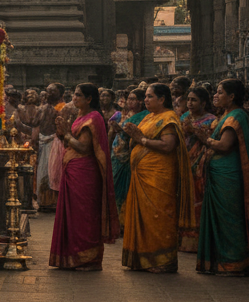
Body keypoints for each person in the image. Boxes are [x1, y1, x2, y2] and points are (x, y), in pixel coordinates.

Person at [120, 83, 194, 273]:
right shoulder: (150, 117)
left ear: (162, 99)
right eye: (145, 96)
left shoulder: (169, 118)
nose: (145, 100)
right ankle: (142, 258)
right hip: (142, 175)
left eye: (150, 96)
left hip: (158, 176)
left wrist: (140, 139)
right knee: (144, 217)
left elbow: (168, 146)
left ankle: (162, 261)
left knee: (158, 215)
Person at [197, 79, 249, 276]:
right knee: (219, 219)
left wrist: (205, 139)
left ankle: (234, 263)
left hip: (228, 176)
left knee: (229, 219)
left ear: (232, 96)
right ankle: (220, 261)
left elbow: (225, 146)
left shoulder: (237, 116)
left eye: (219, 92)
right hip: (218, 174)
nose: (215, 96)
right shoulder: (226, 114)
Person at [49, 83, 118, 271]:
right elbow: (71, 141)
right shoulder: (81, 116)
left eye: (79, 95)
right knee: (73, 215)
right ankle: (72, 255)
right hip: (73, 170)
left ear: (89, 99)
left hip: (85, 173)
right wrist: (64, 134)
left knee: (84, 215)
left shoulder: (94, 118)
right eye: (73, 94)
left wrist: (66, 135)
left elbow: (83, 147)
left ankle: (88, 258)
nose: (74, 98)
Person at [180, 86, 217, 253]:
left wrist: (193, 130)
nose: (189, 103)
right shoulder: (184, 117)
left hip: (201, 164)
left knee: (198, 199)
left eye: (194, 100)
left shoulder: (211, 120)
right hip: (184, 162)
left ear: (203, 103)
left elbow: (211, 141)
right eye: (188, 99)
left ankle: (199, 240)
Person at [13, 84, 59, 210]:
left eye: (34, 94)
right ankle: (34, 198)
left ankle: (45, 200)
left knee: (45, 170)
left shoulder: (47, 109)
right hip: (27, 140)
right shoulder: (21, 109)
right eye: (29, 94)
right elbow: (22, 124)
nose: (32, 96)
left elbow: (36, 125)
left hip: (44, 141)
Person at [110, 88, 148, 228]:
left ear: (140, 101)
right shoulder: (123, 114)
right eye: (129, 99)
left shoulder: (145, 116)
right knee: (114, 184)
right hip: (117, 154)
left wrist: (121, 130)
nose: (129, 101)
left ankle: (124, 221)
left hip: (130, 154)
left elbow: (138, 134)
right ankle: (115, 221)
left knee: (126, 186)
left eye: (133, 99)